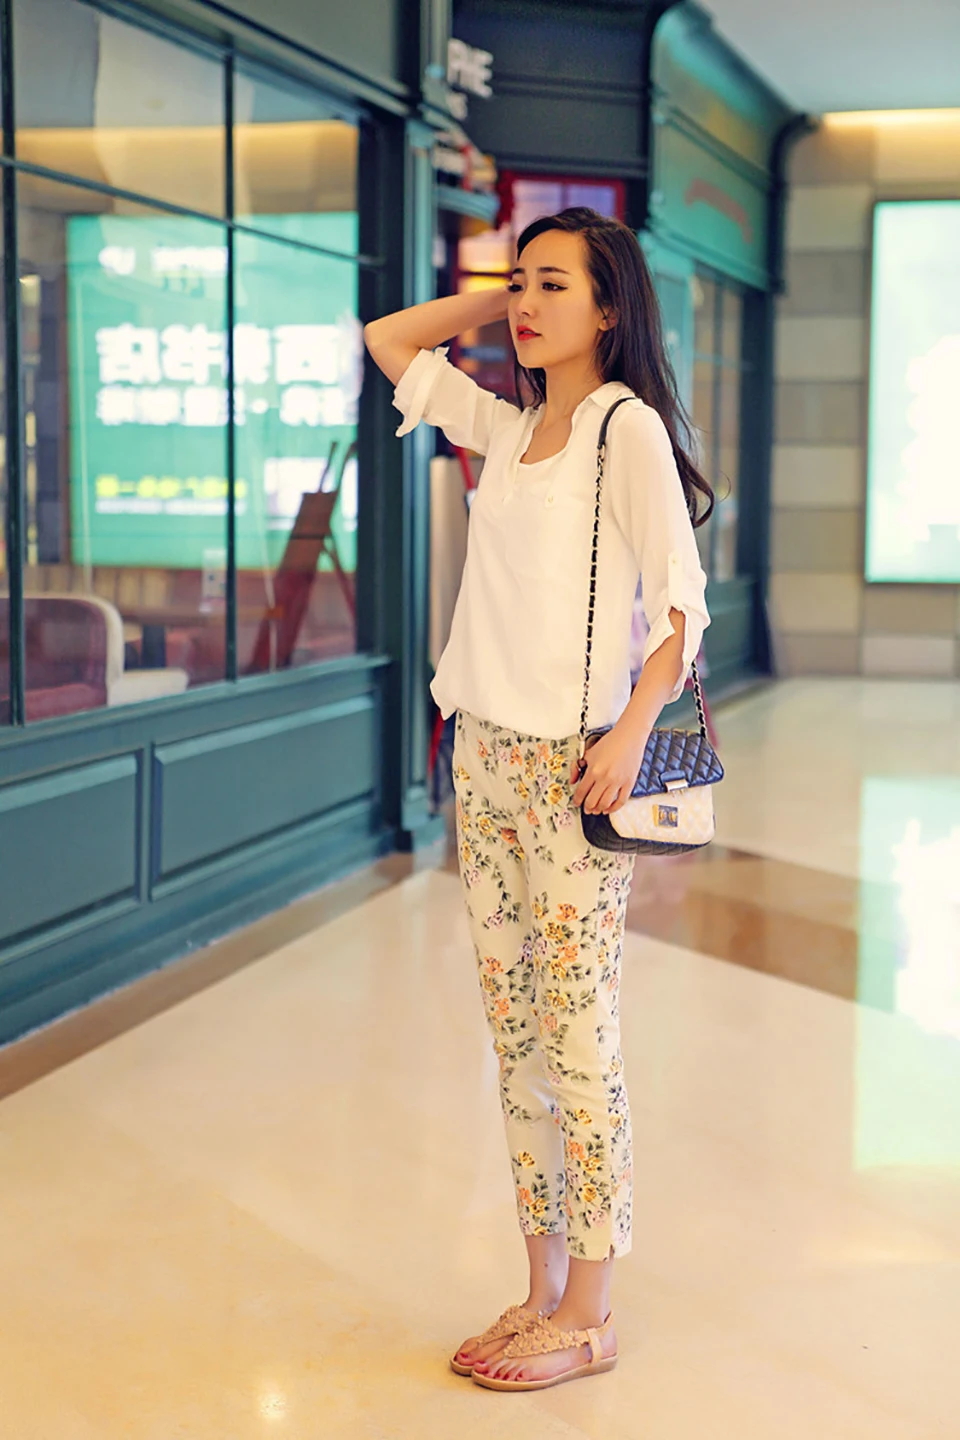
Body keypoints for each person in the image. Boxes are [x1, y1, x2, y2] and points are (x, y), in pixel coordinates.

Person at [364, 207, 714, 1393]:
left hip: (575, 767)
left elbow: (681, 604)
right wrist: (496, 297)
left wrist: (630, 731)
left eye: (555, 284)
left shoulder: (627, 429)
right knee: (514, 1040)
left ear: (610, 309)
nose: (526, 302)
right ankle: (539, 1290)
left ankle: (593, 1312)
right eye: (521, 281)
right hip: (485, 756)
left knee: (576, 1035)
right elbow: (388, 340)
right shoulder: (508, 429)